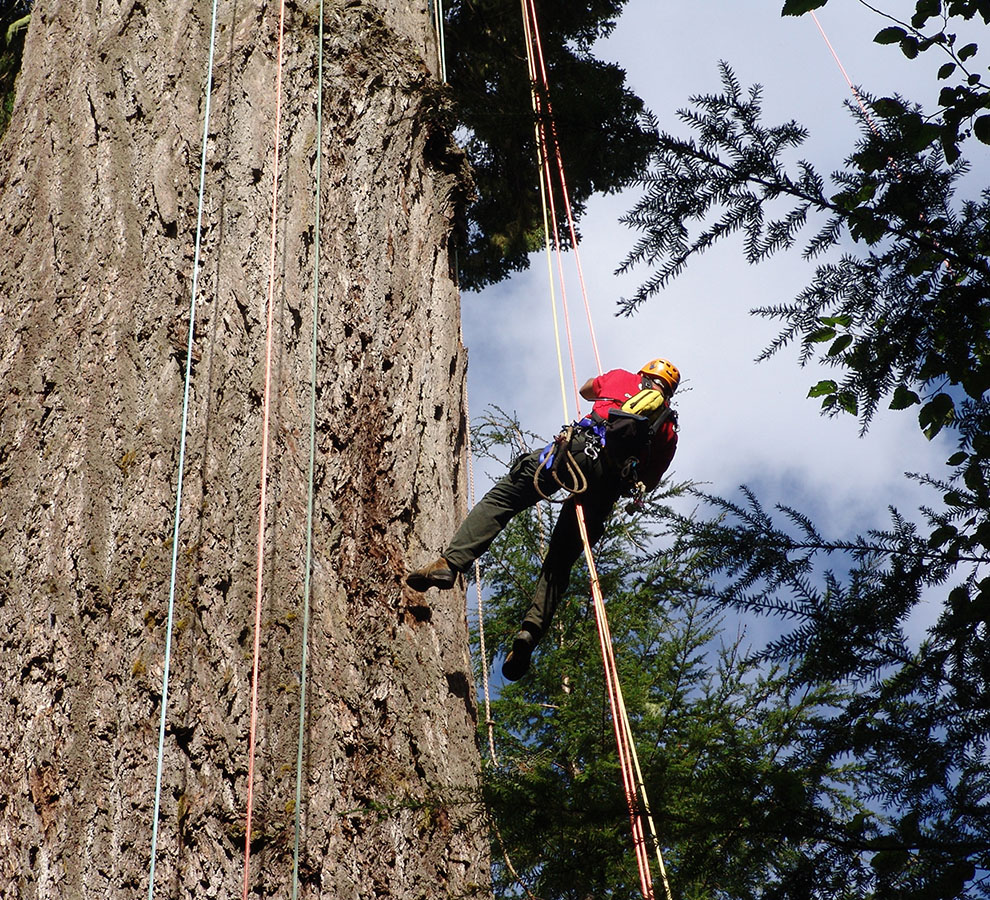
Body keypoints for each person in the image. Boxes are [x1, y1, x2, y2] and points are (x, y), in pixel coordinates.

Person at [407, 358, 680, 680]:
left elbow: (587, 390)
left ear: (644, 374)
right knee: (559, 563)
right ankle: (530, 632)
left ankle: (450, 563)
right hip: (605, 486)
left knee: (504, 498)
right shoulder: (668, 430)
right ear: (669, 392)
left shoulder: (622, 378)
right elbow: (648, 481)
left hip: (577, 452)